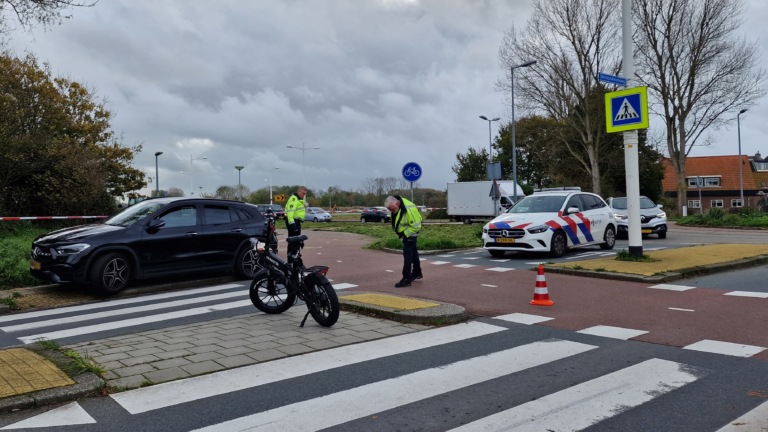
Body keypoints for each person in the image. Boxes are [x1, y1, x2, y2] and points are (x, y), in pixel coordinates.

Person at [385, 195, 423, 287]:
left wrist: (405, 235)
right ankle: (417, 272)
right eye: (389, 210)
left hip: (412, 232)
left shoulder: (409, 209)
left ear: (397, 203)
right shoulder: (395, 206)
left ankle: (406, 278)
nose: (391, 211)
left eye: (392, 209)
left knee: (407, 254)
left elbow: (416, 226)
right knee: (413, 252)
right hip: (405, 233)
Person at [285, 186, 308, 262]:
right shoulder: (294, 199)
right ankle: (291, 260)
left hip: (297, 222)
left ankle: (295, 259)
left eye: (305, 194)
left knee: (296, 242)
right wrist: (293, 226)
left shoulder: (299, 200)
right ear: (299, 191)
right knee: (293, 242)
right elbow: (290, 214)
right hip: (293, 222)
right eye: (303, 193)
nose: (304, 195)